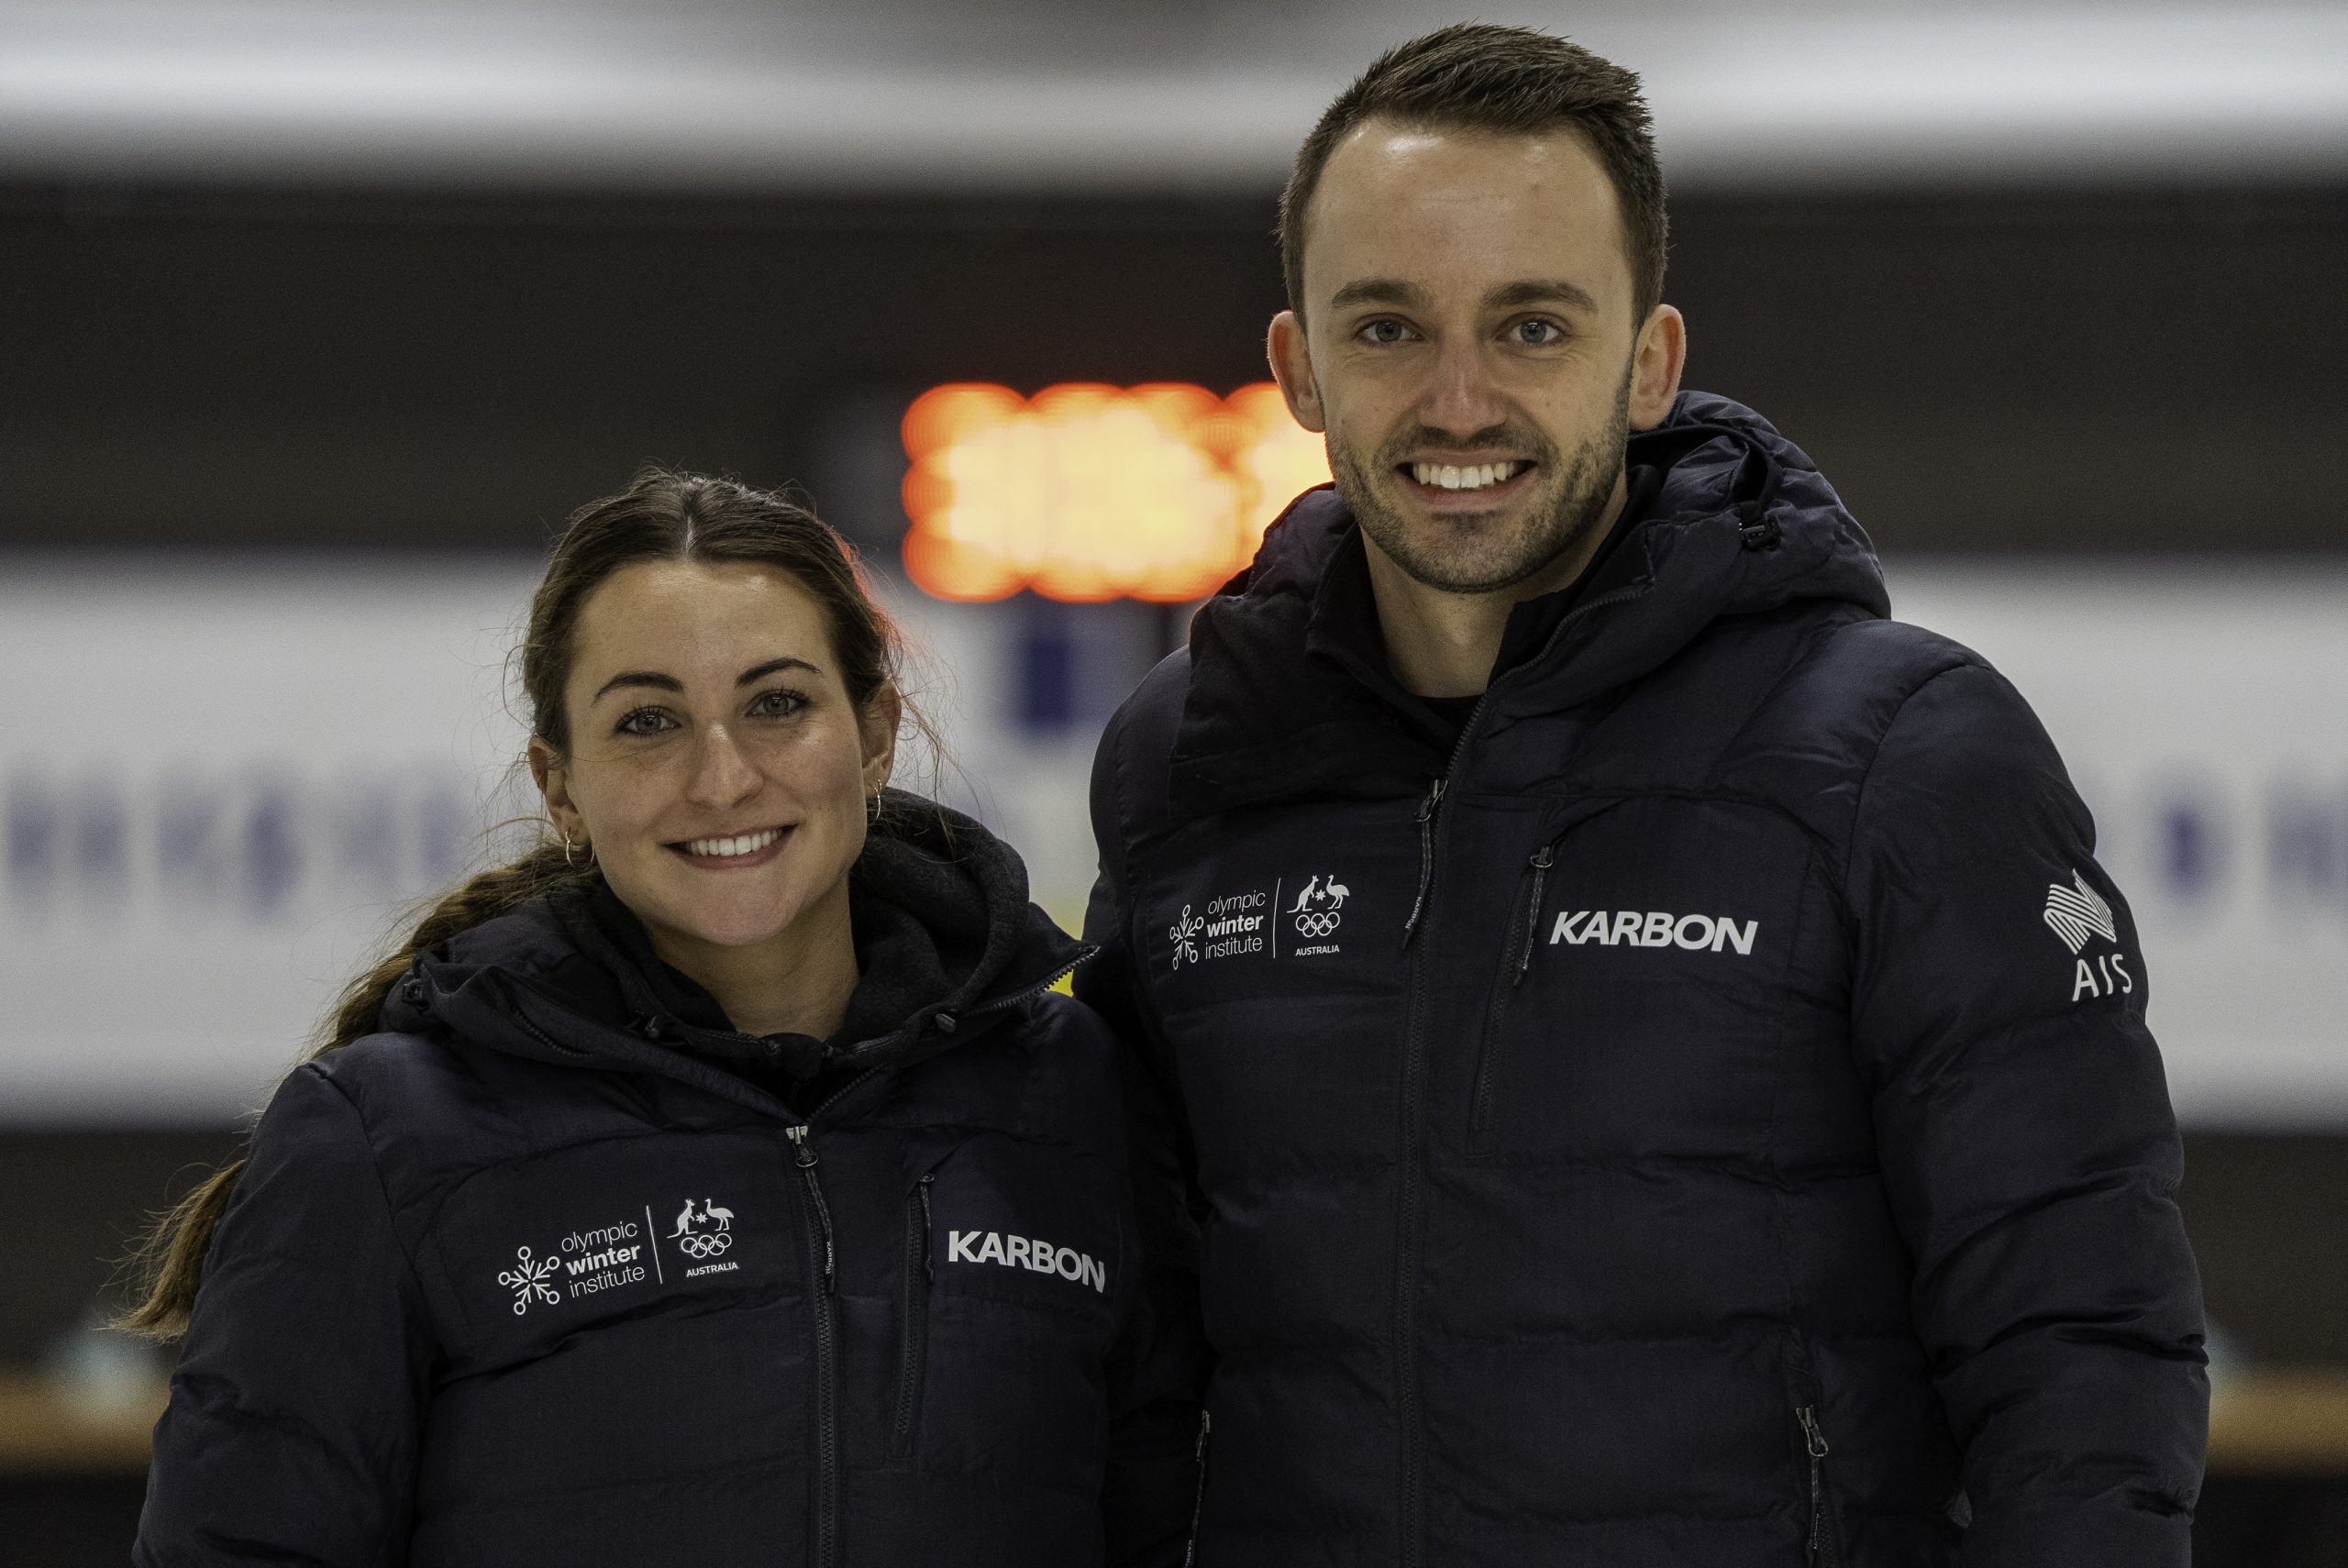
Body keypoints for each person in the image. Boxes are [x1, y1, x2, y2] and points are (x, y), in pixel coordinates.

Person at [1079, 24, 2205, 1567]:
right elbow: (1132, 1345)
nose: (1459, 401)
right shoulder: (1189, 762)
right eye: (1391, 328)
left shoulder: (1904, 757)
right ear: (1297, 370)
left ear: (1651, 362)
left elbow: (2080, 1340)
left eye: (1533, 327)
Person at [128, 470, 1203, 1566]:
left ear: (875, 734)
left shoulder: (1073, 1098)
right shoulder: (385, 1138)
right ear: (561, 786)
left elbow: (1163, 1526)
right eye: (648, 722)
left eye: (777, 703)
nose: (723, 776)